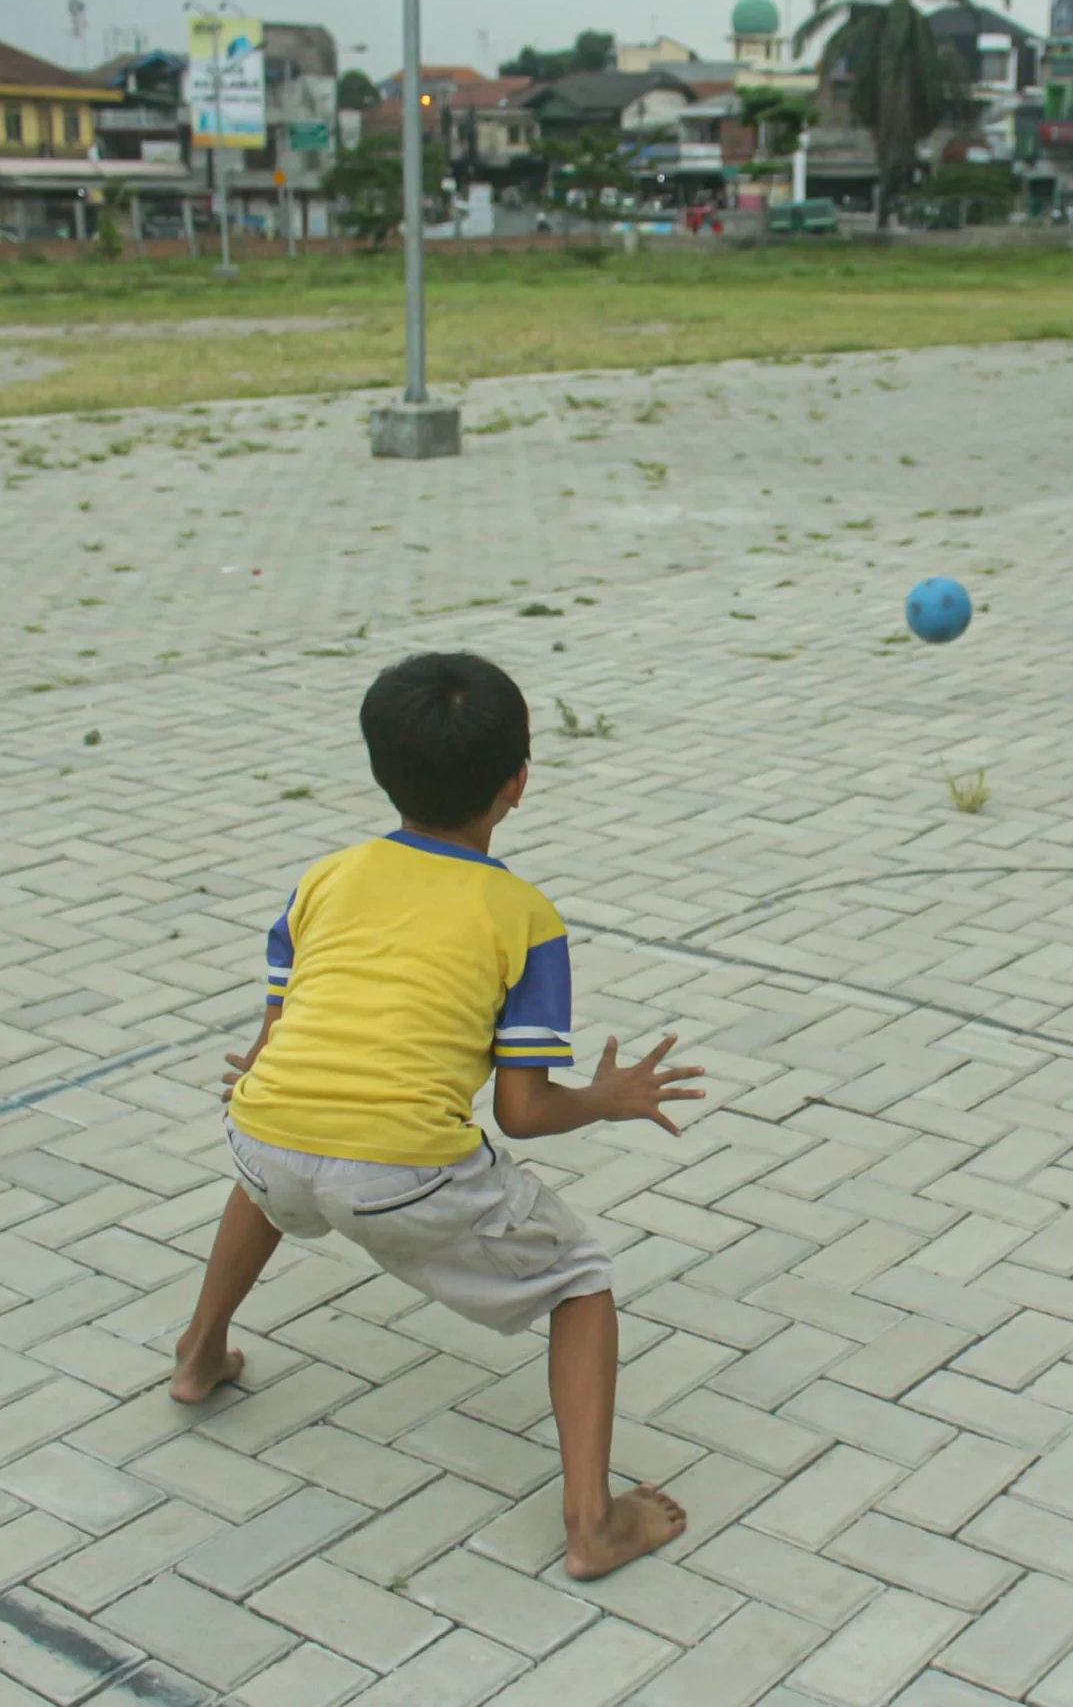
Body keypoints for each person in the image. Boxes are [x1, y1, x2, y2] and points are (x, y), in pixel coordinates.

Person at [169, 652, 704, 1582]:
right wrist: (608, 1100)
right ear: (517, 786)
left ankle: (198, 1354)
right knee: (580, 1279)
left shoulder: (325, 876)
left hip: (262, 1127)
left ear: (381, 768)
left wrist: (277, 1084)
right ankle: (593, 1522)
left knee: (273, 1175)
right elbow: (524, 1111)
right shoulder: (523, 915)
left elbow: (275, 1032)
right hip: (399, 1171)